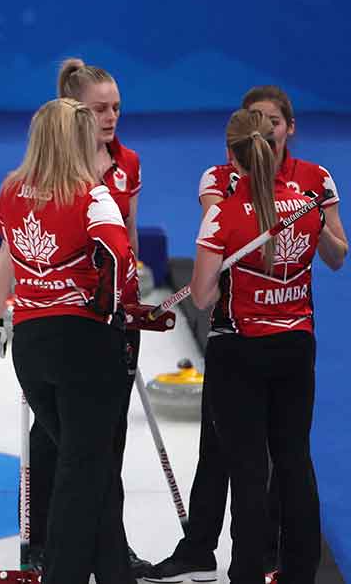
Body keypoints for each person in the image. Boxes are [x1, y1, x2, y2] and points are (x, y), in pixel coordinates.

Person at [148, 89, 346, 583]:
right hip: (288, 341)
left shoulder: (303, 189)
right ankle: (233, 557)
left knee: (257, 467)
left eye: (275, 120)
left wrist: (312, 223)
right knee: (276, 457)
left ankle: (252, 572)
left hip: (245, 342)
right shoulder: (238, 188)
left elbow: (203, 292)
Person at [0, 58, 149, 576]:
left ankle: (113, 571)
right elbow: (122, 260)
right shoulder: (92, 196)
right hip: (84, 344)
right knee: (86, 471)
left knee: (80, 464)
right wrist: (121, 304)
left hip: (31, 347)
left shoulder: (11, 189)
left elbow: (10, 249)